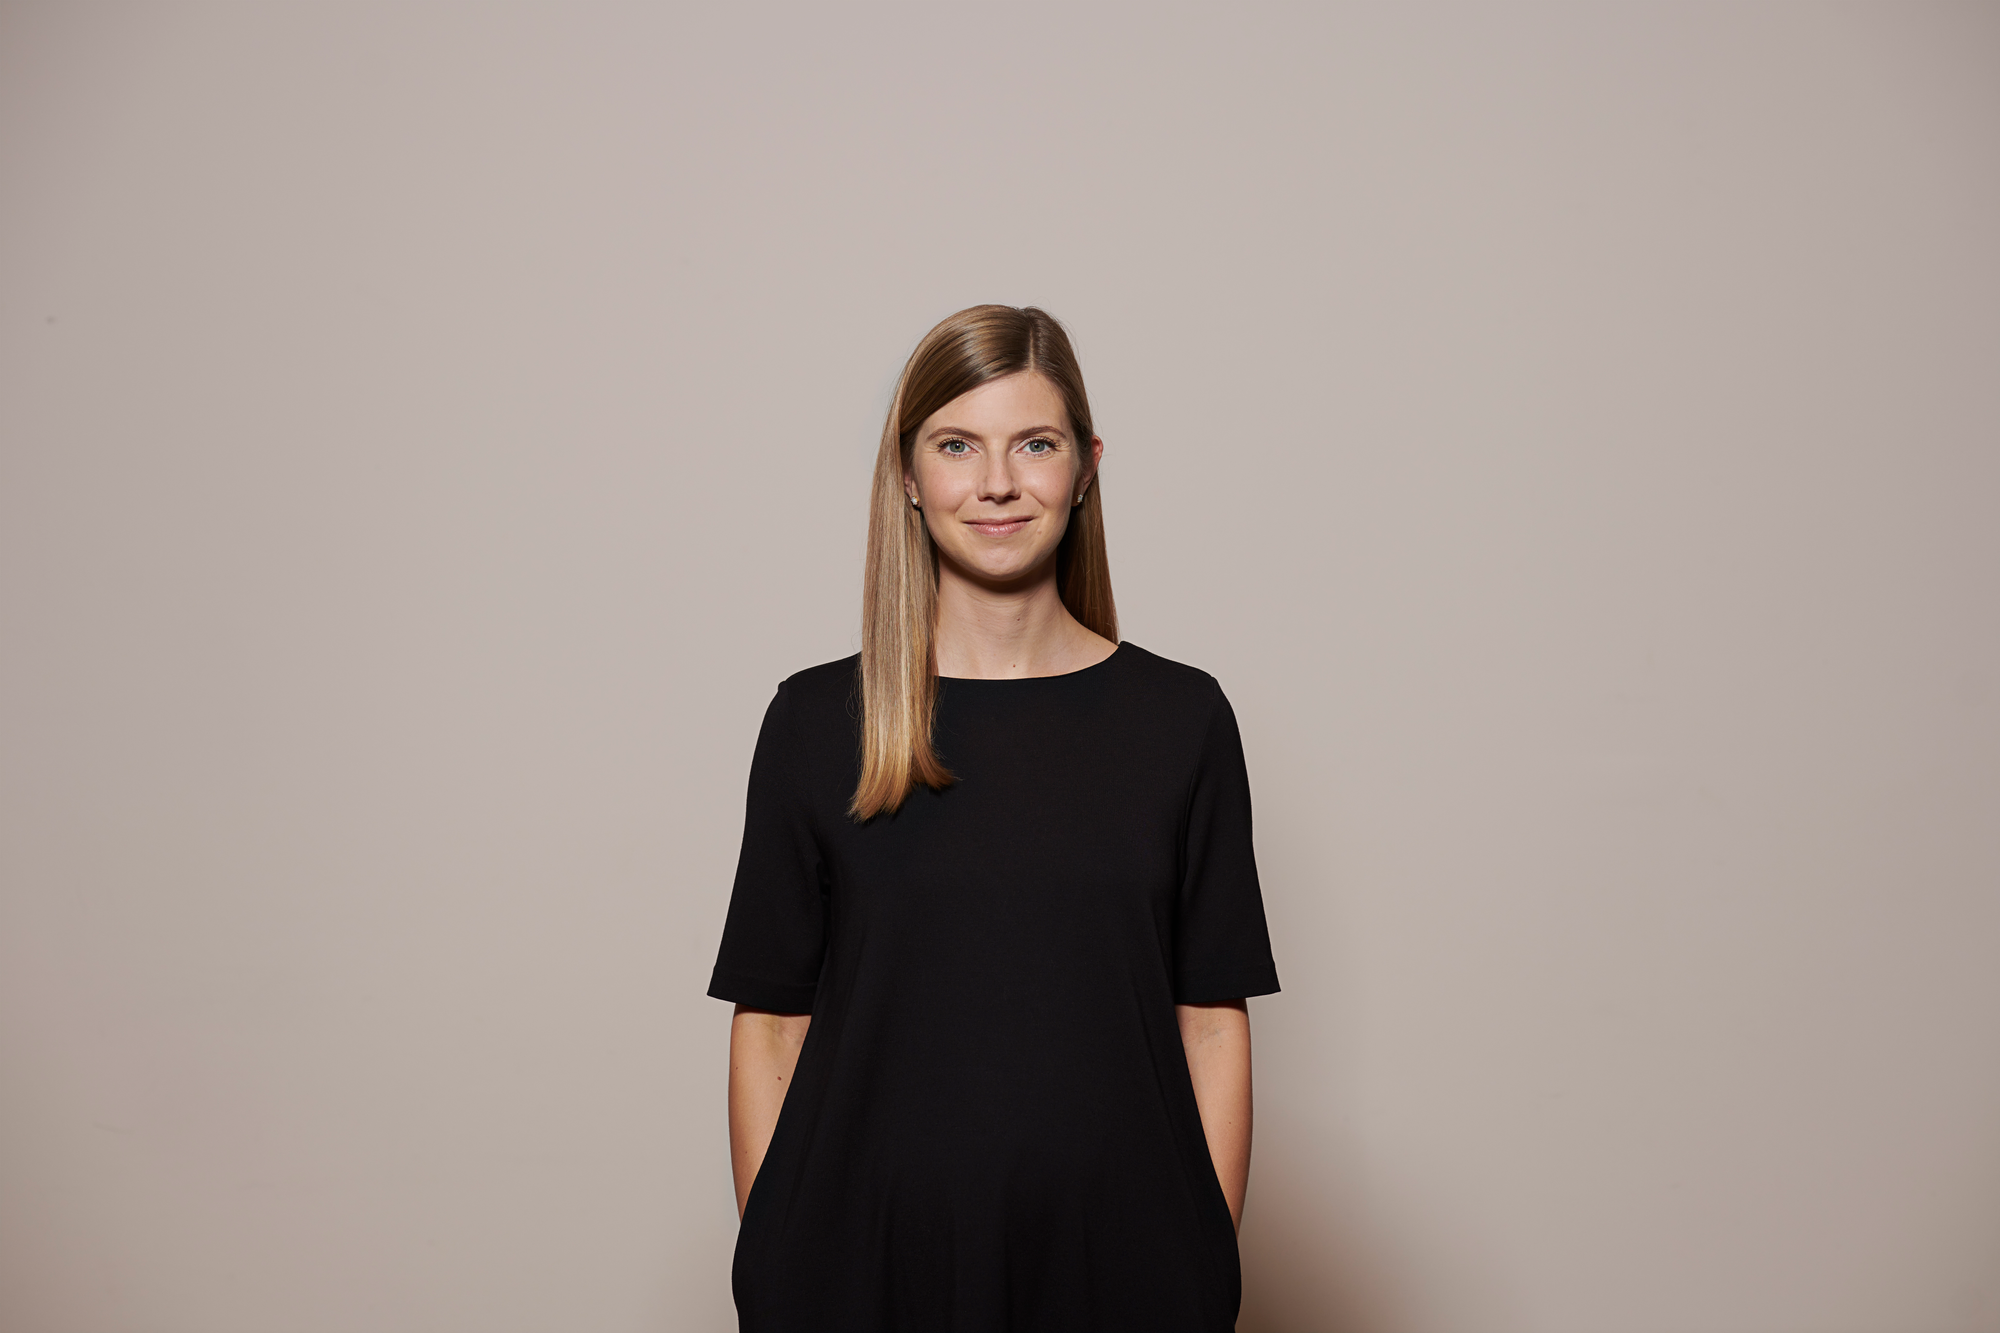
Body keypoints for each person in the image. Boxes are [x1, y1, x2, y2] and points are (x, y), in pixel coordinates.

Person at [707, 304, 1280, 1332]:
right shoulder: (813, 722)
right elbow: (771, 1028)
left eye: (1035, 443)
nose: (997, 482)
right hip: (856, 1269)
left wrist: (1199, 1261)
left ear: (1086, 464)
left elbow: (1209, 1024)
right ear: (908, 474)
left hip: (1120, 1266)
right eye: (957, 445)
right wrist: (777, 1258)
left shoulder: (1180, 721)